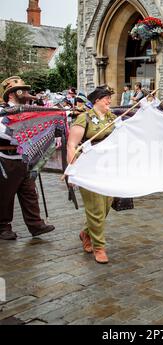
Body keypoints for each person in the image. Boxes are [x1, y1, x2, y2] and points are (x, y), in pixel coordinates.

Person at [0, 76, 55, 240]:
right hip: (6, 158)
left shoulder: (27, 111)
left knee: (30, 192)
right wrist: (22, 134)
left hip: (24, 158)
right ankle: (3, 227)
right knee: (5, 195)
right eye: (22, 90)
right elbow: (3, 131)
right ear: (11, 94)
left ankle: (36, 225)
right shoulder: (3, 111)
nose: (26, 93)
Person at [67, 84, 117, 263]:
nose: (109, 101)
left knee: (106, 205)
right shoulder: (84, 118)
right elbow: (71, 145)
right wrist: (72, 170)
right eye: (106, 98)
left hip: (108, 167)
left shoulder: (112, 117)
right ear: (97, 100)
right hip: (88, 167)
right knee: (95, 208)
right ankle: (99, 247)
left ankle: (86, 233)